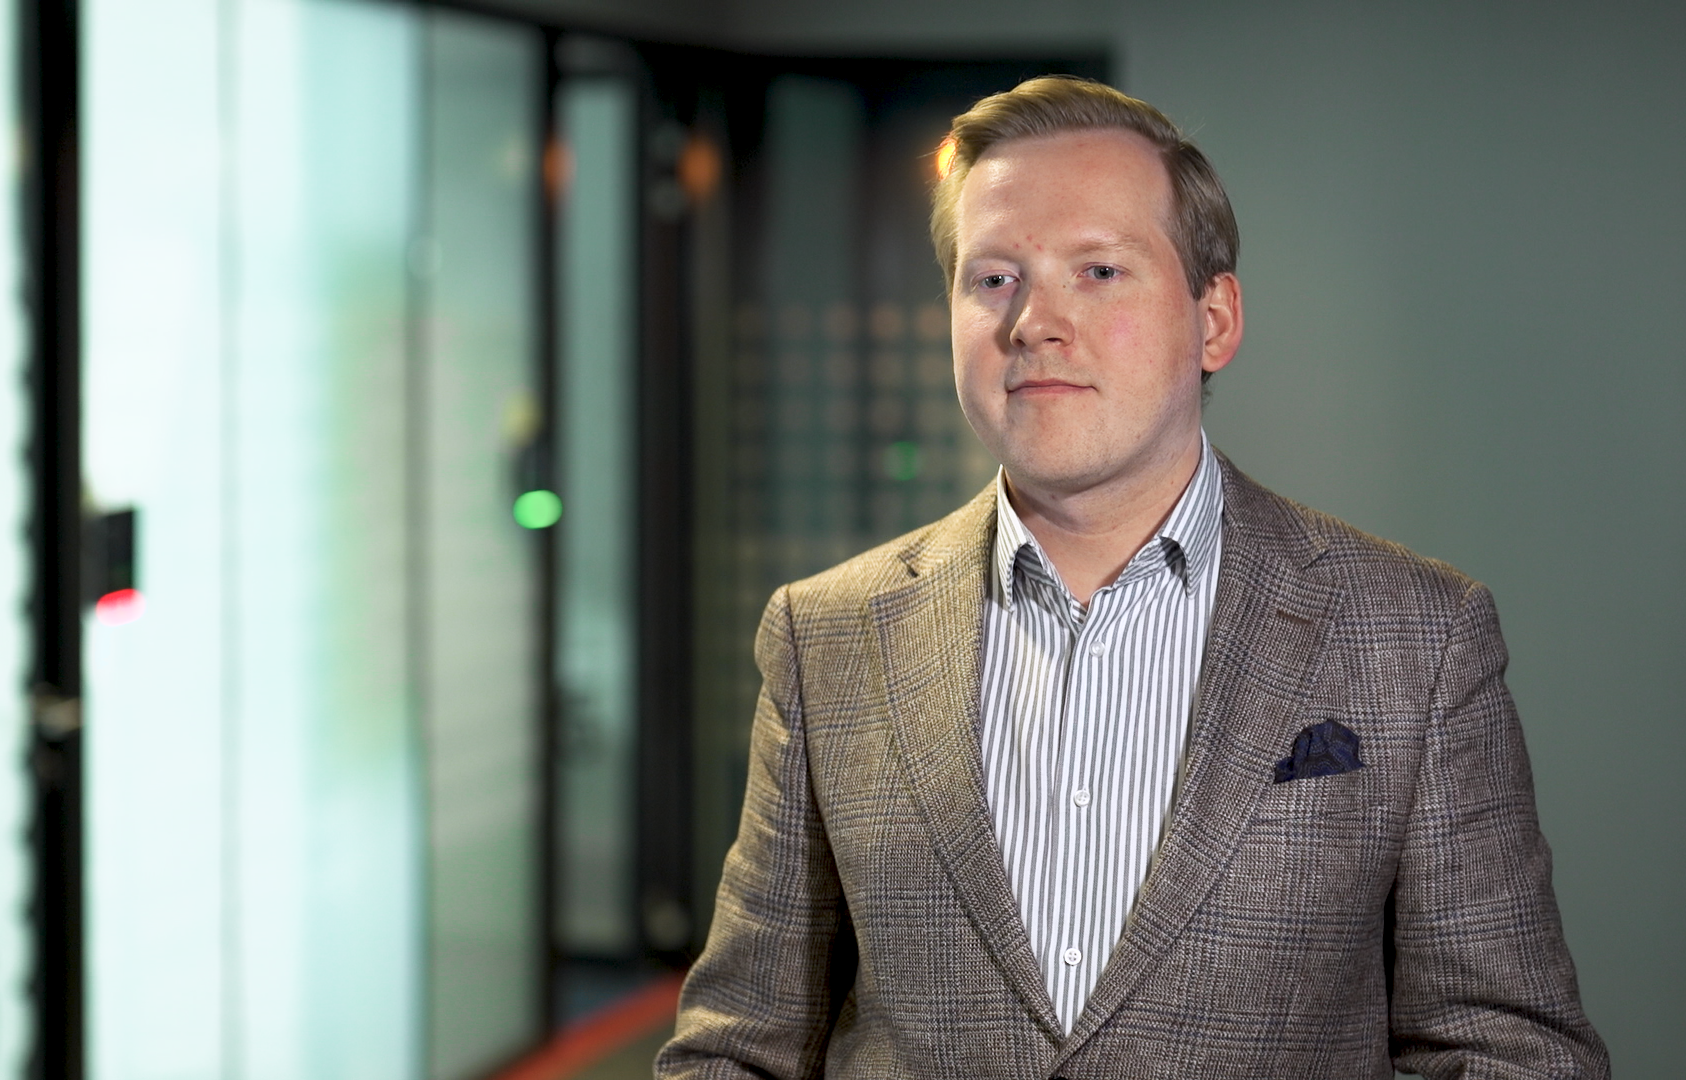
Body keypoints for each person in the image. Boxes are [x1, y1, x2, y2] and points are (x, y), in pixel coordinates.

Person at [656, 76, 1607, 1078]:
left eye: (1099, 271)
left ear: (1214, 320)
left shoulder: (1416, 637)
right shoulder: (829, 636)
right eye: (994, 279)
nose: (1033, 322)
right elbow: (736, 1049)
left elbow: (1513, 1053)